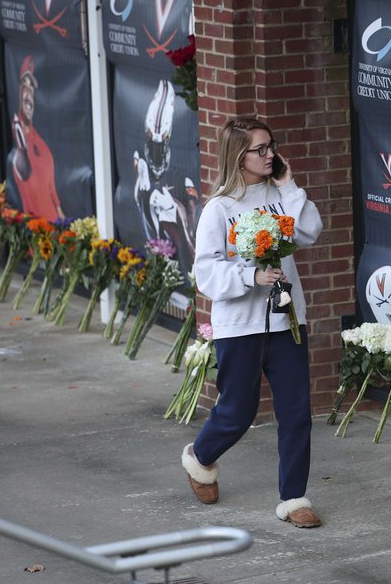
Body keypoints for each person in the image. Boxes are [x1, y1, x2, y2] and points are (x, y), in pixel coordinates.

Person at [181, 117, 324, 528]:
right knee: (237, 412)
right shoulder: (220, 209)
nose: (270, 155)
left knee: (296, 413)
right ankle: (200, 458)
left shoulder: (281, 194)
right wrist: (250, 276)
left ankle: (294, 498)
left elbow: (311, 231)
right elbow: (206, 274)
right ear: (237, 156)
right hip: (240, 325)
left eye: (271, 147)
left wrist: (290, 186)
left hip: (287, 320)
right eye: (260, 150)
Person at [134, 79, 199, 277]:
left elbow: (190, 219)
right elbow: (142, 210)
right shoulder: (143, 173)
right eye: (153, 148)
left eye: (160, 148)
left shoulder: (180, 178)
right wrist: (142, 192)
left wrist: (175, 208)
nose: (156, 154)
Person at [8, 55, 64, 221]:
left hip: (56, 236)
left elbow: (51, 187)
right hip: (37, 238)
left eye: (31, 89)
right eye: (24, 88)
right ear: (19, 92)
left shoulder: (42, 144)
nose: (28, 95)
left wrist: (61, 216)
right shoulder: (17, 133)